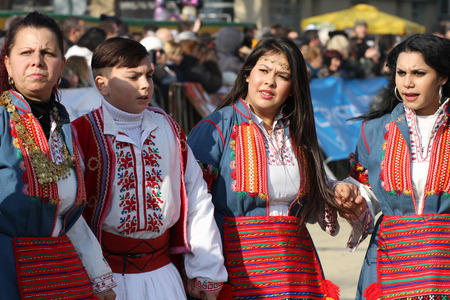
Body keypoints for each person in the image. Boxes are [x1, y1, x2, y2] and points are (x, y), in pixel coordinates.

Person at [187, 36, 371, 299]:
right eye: (263, 71)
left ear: (294, 88)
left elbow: (305, 193)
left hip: (297, 268)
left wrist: (334, 191)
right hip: (239, 268)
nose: (269, 82)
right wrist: (203, 271)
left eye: (282, 76)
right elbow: (193, 206)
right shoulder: (215, 128)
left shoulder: (297, 134)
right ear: (248, 75)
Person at [71, 37, 227, 300]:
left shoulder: (169, 128)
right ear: (102, 85)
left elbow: (196, 196)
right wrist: (96, 276)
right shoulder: (81, 133)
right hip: (106, 279)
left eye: (149, 76)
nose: (145, 85)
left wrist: (205, 269)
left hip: (164, 275)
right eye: (133, 77)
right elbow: (72, 214)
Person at [0, 11, 116, 300]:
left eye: (48, 52)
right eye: (26, 52)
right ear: (8, 65)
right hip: (7, 274)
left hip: (63, 274)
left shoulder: (65, 128)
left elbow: (70, 218)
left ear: (61, 66)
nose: (37, 60)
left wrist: (99, 277)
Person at [346, 34, 450, 299]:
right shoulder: (374, 131)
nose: (407, 83)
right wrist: (353, 199)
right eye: (401, 73)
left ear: (443, 77)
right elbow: (368, 191)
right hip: (390, 261)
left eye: (419, 73)